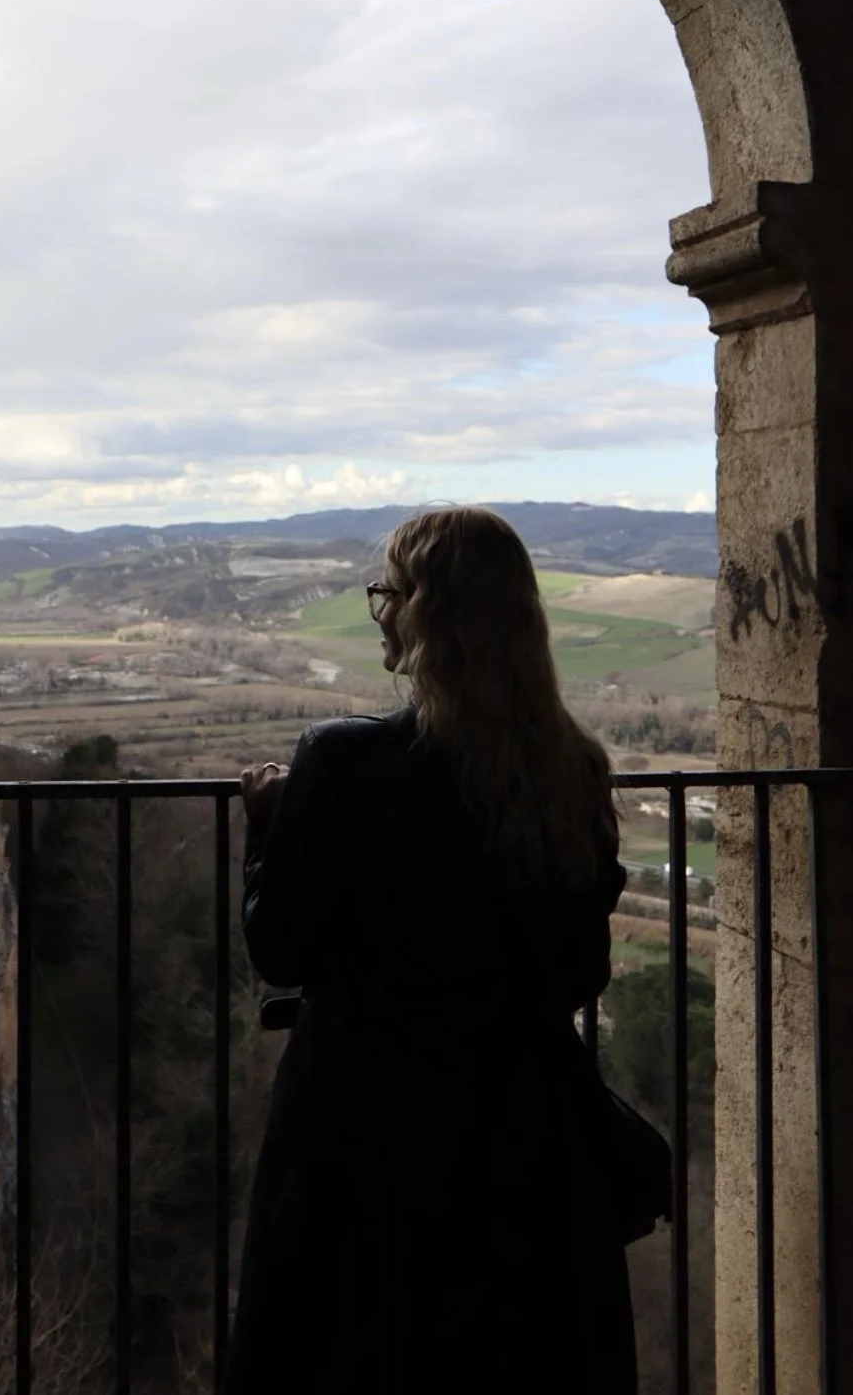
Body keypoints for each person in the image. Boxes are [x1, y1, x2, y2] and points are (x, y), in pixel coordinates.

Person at [226, 506, 636, 1395]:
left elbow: (280, 947)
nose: (380, 610)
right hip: (526, 1139)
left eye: (389, 593)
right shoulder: (574, 771)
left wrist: (266, 830)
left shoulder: (343, 761)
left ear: (423, 613)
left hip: (363, 1131)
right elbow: (581, 970)